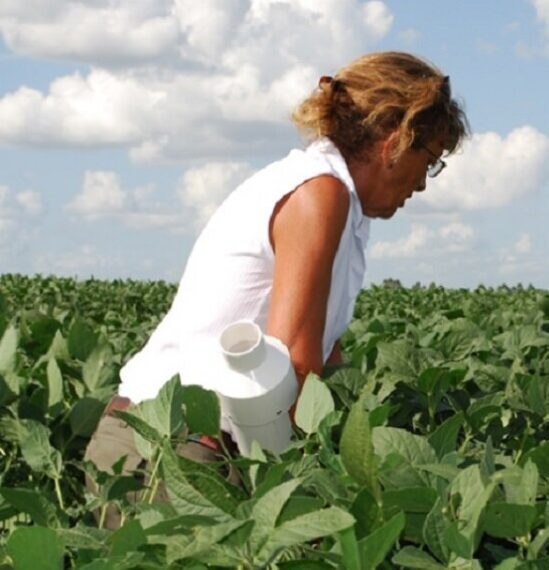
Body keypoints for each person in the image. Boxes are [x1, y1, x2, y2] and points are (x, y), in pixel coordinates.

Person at [83, 51, 469, 527]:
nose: (423, 185)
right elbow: (294, 361)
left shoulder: (329, 196)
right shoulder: (318, 194)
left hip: (176, 448)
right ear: (395, 141)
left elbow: (325, 356)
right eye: (428, 160)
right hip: (172, 456)